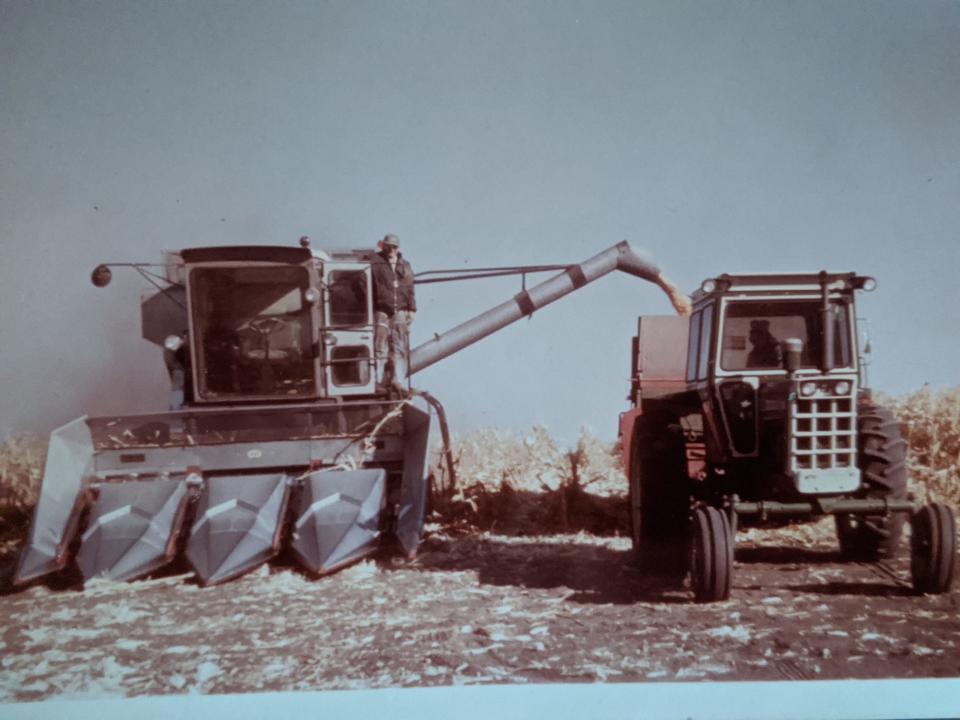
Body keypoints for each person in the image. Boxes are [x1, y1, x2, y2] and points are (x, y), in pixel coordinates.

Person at [370, 233, 416, 392]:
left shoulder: (405, 265)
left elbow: (410, 288)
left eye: (394, 247)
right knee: (379, 345)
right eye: (388, 246)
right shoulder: (375, 263)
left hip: (400, 311)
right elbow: (363, 284)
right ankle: (377, 380)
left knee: (399, 346)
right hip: (381, 310)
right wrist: (374, 301)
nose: (391, 249)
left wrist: (412, 309)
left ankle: (398, 381)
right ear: (383, 246)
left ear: (398, 248)